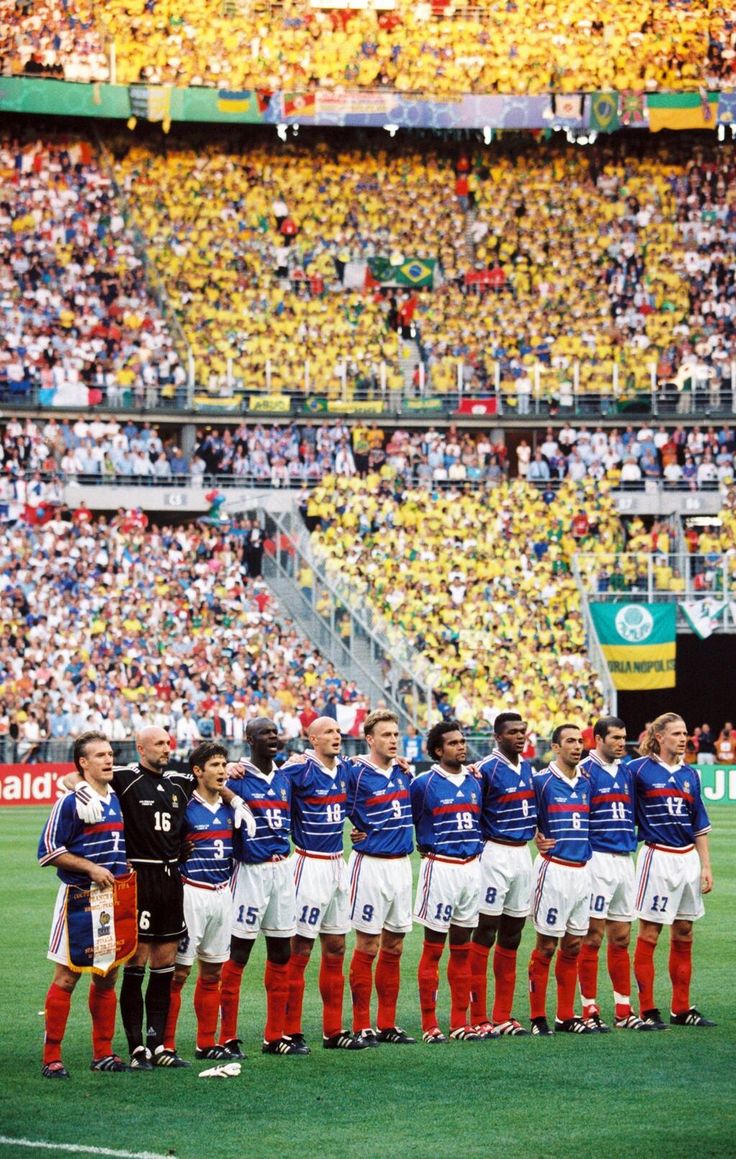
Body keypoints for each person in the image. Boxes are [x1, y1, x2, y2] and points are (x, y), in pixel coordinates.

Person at [67, 724, 253, 1069]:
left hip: (172, 881)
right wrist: (82, 790)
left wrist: (235, 799)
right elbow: (72, 778)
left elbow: (215, 783)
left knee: (164, 966)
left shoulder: (179, 781)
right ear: (140, 748)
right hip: (140, 878)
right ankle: (137, 1048)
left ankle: (160, 1045)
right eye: (159, 744)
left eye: (168, 743)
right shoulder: (125, 777)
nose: (166, 749)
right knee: (136, 964)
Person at [38, 732, 131, 1077]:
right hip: (77, 899)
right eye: (100, 756)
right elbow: (48, 850)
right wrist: (90, 867)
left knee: (107, 976)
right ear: (83, 763)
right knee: (66, 978)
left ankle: (103, 1052)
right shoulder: (70, 802)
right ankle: (52, 1058)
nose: (109, 760)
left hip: (110, 901)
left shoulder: (117, 795)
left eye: (110, 754)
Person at [284, 717, 368, 1050]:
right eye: (329, 733)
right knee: (300, 949)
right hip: (308, 863)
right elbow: (267, 786)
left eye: (338, 732)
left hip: (337, 864)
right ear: (312, 738)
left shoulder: (345, 770)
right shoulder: (299, 770)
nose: (337, 736)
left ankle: (333, 1031)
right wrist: (235, 770)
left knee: (336, 948)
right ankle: (289, 1029)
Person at [220, 718, 302, 1056]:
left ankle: (274, 1036)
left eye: (275, 732)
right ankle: (227, 1036)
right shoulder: (236, 778)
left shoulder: (285, 777)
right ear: (249, 739)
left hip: (282, 870)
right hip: (249, 872)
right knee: (238, 952)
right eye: (265, 733)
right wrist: (228, 774)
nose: (273, 737)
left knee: (283, 951)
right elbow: (199, 783)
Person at [630, 713, 715, 1029]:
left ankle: (681, 1008)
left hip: (687, 860)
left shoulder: (690, 774)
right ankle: (647, 1008)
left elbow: (699, 825)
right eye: (677, 734)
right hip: (657, 858)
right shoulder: (637, 770)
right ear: (659, 736)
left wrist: (705, 865)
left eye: (686, 734)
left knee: (684, 932)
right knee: (650, 933)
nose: (684, 739)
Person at [577, 718, 655, 1032]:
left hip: (625, 859)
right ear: (598, 739)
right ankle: (589, 1007)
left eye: (624, 738)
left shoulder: (628, 771)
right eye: (616, 738)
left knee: (621, 937)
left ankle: (624, 1009)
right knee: (592, 936)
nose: (622, 743)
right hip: (597, 858)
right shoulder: (584, 771)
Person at [345, 710, 416, 1046]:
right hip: (370, 865)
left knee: (395, 945)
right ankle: (362, 1024)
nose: (392, 740)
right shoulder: (356, 772)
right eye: (385, 735)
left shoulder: (404, 773)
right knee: (368, 944)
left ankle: (387, 1023)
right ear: (369, 739)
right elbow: (325, 794)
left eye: (395, 735)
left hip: (401, 865)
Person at [410, 720, 484, 1043]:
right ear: (438, 751)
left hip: (472, 868)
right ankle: (429, 1024)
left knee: (463, 949)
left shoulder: (476, 782)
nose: (461, 747)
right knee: (433, 949)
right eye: (453, 743)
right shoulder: (423, 784)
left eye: (462, 741)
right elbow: (407, 819)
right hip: (440, 867)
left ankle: (459, 1022)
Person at [162, 741, 236, 1061]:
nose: (222, 771)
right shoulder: (183, 805)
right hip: (191, 893)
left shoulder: (231, 806)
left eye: (224, 764)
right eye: (215, 766)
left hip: (223, 894)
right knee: (178, 974)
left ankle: (206, 1043)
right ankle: (165, 1045)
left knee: (213, 973)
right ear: (197, 771)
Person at [468, 712, 537, 1037]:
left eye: (522, 731)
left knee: (513, 933)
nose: (520, 736)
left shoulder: (528, 768)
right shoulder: (484, 771)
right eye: (512, 732)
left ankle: (503, 1015)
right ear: (498, 737)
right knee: (485, 931)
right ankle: (479, 1015)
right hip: (494, 853)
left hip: (522, 854)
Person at [528, 723, 596, 1035]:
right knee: (546, 946)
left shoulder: (587, 781)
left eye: (579, 741)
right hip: (553, 869)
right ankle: (537, 1016)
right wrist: (535, 835)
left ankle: (566, 1016)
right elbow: (520, 813)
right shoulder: (540, 781)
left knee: (573, 945)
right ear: (555, 747)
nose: (576, 746)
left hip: (582, 871)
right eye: (569, 741)